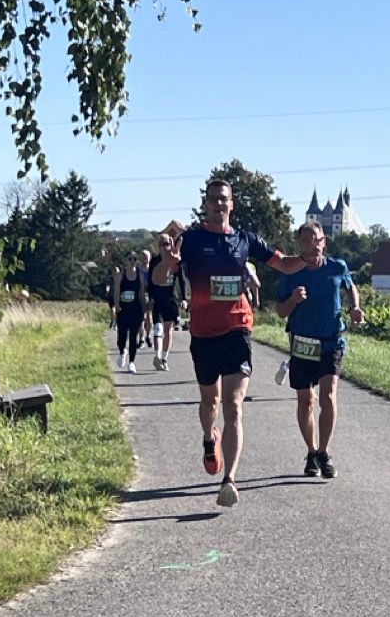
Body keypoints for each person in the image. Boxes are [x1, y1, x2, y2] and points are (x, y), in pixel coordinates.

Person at [153, 178, 307, 507]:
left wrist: (309, 257)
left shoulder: (244, 240)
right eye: (213, 199)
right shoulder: (191, 240)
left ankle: (230, 479)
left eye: (223, 199)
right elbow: (159, 278)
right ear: (206, 204)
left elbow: (284, 263)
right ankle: (210, 439)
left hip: (238, 328)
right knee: (210, 403)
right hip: (203, 334)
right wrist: (166, 260)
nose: (219, 204)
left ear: (231, 204)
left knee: (233, 405)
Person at [275, 222, 364, 478]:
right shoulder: (291, 272)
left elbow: (350, 287)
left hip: (331, 341)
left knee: (328, 397)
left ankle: (324, 452)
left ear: (323, 241)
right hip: (303, 343)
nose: (311, 244)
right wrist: (293, 300)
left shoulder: (337, 267)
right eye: (305, 240)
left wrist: (355, 308)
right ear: (299, 244)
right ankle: (311, 452)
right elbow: (280, 311)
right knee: (306, 401)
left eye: (315, 239)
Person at [149, 232, 184, 369]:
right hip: (158, 298)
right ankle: (157, 356)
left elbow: (181, 280)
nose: (164, 247)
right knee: (158, 327)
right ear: (158, 246)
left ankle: (164, 358)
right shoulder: (154, 261)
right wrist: (150, 297)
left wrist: (184, 298)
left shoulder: (176, 260)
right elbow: (150, 281)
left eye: (167, 244)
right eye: (162, 244)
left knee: (168, 328)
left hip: (171, 298)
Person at [113, 252, 147, 373]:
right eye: (130, 259)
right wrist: (117, 305)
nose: (132, 261)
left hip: (135, 309)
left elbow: (142, 294)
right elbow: (116, 292)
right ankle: (122, 351)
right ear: (126, 261)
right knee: (122, 336)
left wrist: (144, 310)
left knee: (133, 336)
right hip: (123, 309)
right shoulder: (121, 275)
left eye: (135, 259)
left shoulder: (140, 276)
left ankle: (132, 362)